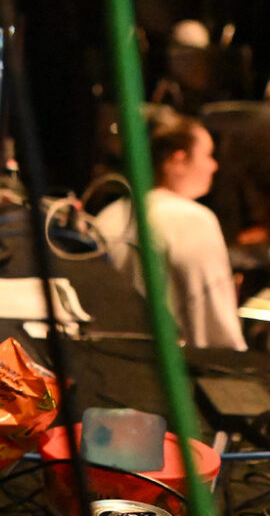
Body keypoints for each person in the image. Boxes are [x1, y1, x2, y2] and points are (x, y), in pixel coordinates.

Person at [97, 113, 248, 350]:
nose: (214, 165)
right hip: (170, 374)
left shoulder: (109, 216)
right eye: (208, 155)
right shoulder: (193, 220)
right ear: (177, 161)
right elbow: (215, 328)